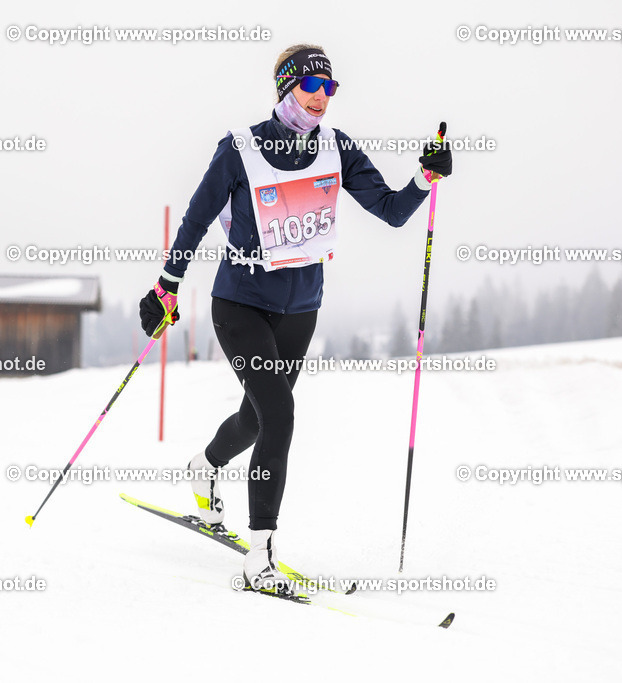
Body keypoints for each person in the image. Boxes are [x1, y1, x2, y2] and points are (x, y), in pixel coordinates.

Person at [139, 44, 452, 593]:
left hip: (301, 310)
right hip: (239, 302)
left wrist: (425, 179)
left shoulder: (338, 149)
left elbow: (392, 211)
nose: (321, 99)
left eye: (330, 89)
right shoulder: (241, 149)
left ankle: (204, 465)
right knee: (280, 414)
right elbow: (195, 217)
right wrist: (167, 284)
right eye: (311, 87)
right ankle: (259, 556)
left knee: (259, 418)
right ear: (286, 88)